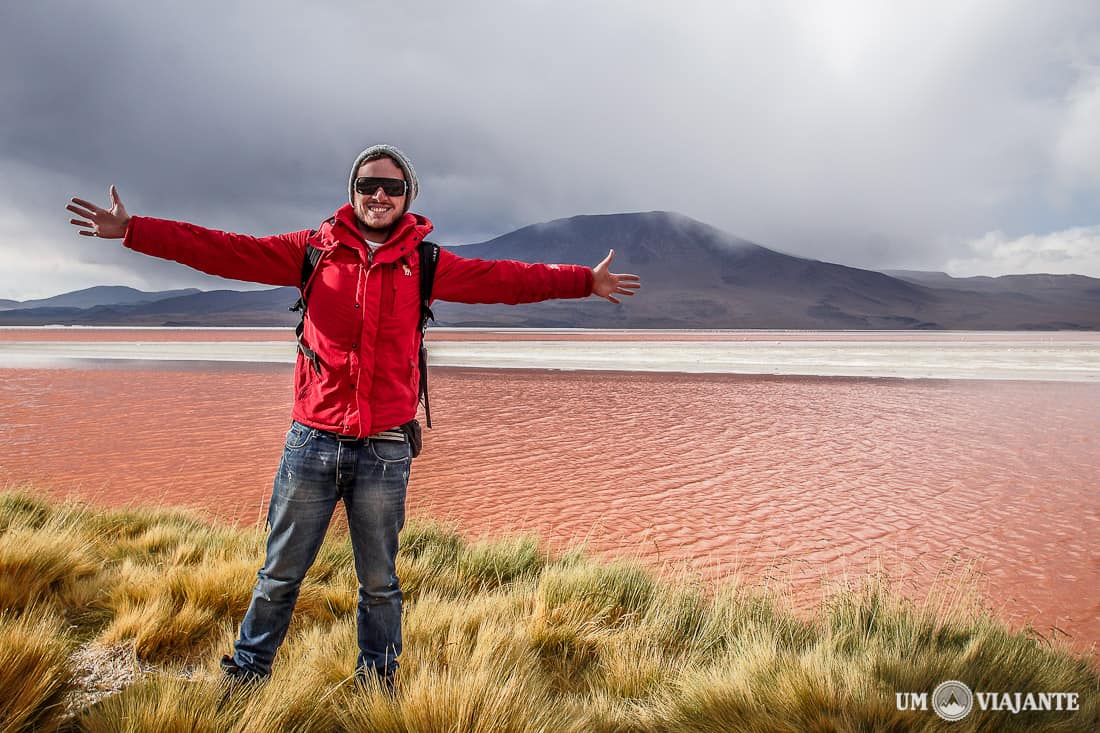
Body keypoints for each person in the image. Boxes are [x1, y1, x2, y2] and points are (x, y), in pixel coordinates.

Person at [66, 144, 640, 690]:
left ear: (407, 196)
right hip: (312, 440)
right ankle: (246, 677)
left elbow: (508, 279)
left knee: (380, 584)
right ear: (354, 192)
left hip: (386, 448)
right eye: (369, 184)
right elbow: (222, 248)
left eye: (392, 186)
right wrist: (135, 231)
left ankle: (377, 685)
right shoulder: (311, 249)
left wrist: (583, 280)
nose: (380, 195)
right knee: (279, 574)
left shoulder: (427, 262)